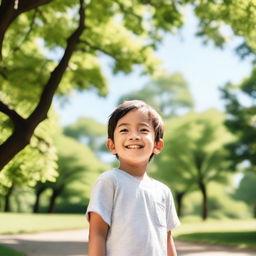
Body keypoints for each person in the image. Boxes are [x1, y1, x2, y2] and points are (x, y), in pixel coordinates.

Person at [86, 100, 180, 256]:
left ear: (157, 145)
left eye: (143, 130)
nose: (133, 136)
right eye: (124, 130)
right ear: (112, 145)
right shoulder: (109, 181)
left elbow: (167, 239)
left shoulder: (163, 192)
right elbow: (97, 234)